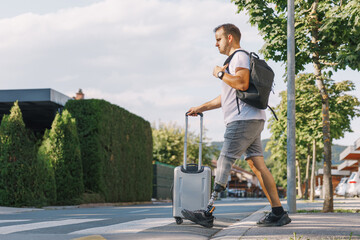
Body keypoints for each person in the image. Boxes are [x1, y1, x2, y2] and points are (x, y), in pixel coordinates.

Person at [182, 23, 291, 228]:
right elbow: (227, 97)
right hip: (253, 119)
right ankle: (278, 213)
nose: (216, 44)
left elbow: (241, 83)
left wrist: (219, 74)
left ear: (230, 38)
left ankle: (207, 212)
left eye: (218, 39)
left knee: (225, 159)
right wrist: (201, 107)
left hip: (242, 121)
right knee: (258, 166)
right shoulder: (235, 60)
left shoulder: (239, 56)